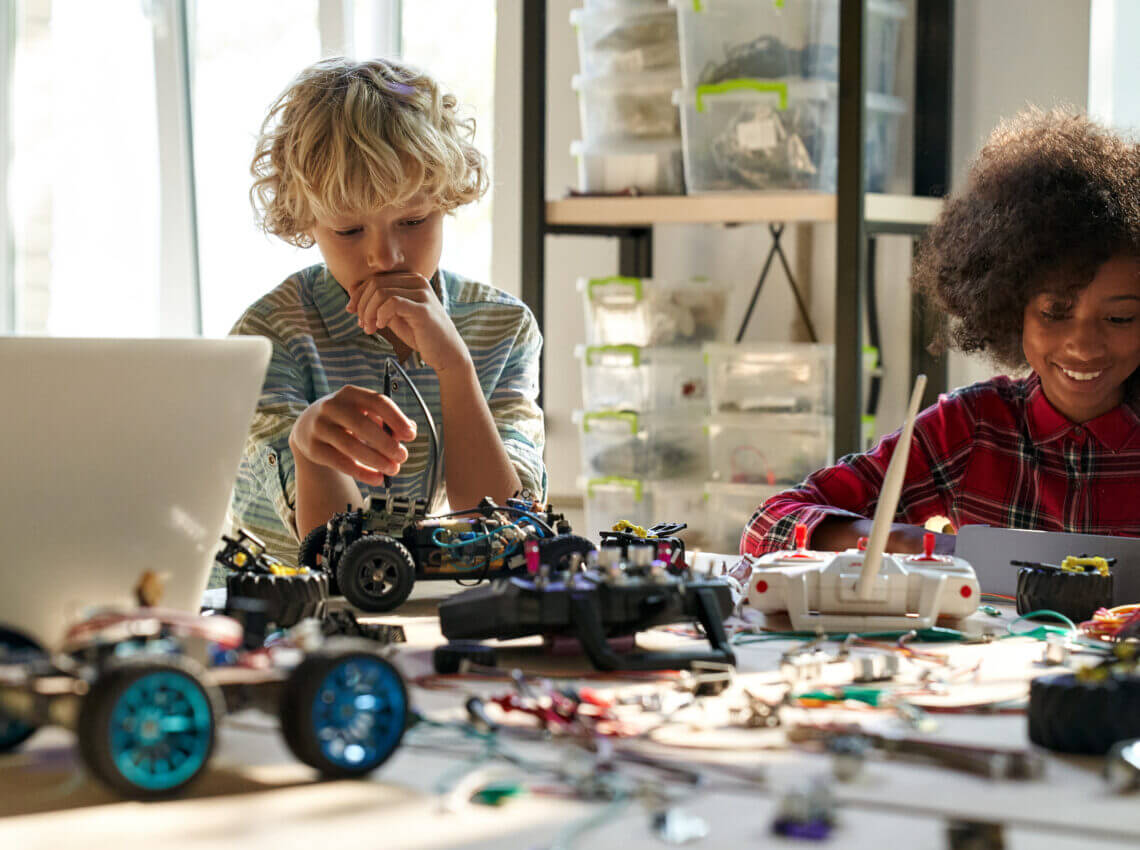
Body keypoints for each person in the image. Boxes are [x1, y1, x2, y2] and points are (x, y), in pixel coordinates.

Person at [742, 108, 1140, 557]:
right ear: (1009, 308)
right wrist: (898, 540)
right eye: (1054, 312)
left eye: (1120, 319)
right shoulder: (972, 428)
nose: (1083, 345)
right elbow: (769, 523)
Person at [229, 57, 546, 564]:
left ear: (447, 201)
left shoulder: (504, 329)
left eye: (414, 220)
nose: (385, 257)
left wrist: (455, 368)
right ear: (305, 221)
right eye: (349, 231)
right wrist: (310, 452)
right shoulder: (270, 336)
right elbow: (332, 557)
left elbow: (507, 535)